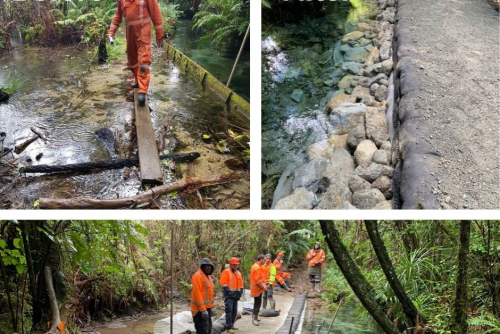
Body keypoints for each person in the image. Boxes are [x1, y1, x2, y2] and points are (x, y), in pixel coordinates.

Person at [108, 0, 164, 106]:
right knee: (132, 60)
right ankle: (138, 81)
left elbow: (155, 13)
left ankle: (142, 91)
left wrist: (159, 34)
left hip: (143, 32)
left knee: (143, 61)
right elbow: (118, 16)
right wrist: (111, 32)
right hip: (130, 34)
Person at [220, 257, 244, 333]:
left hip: (236, 296)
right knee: (229, 311)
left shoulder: (239, 273)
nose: (235, 266)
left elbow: (241, 285)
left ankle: (232, 325)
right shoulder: (226, 272)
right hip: (229, 296)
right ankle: (228, 327)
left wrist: (240, 292)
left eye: (236, 265)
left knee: (234, 311)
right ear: (230, 264)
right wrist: (229, 292)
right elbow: (223, 283)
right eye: (233, 264)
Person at [191, 258, 215, 334]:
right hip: (199, 310)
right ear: (202, 267)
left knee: (208, 329)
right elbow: (197, 293)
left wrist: (210, 308)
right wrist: (203, 309)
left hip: (207, 308)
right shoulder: (197, 276)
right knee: (202, 330)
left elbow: (208, 293)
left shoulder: (208, 277)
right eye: (207, 266)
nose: (209, 268)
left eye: (210, 267)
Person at [250, 254, 267, 326]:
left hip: (257, 289)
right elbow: (258, 280)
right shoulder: (257, 268)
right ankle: (254, 319)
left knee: (257, 304)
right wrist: (264, 287)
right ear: (261, 259)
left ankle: (255, 317)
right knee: (257, 304)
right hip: (257, 290)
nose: (265, 261)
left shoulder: (255, 266)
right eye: (264, 260)